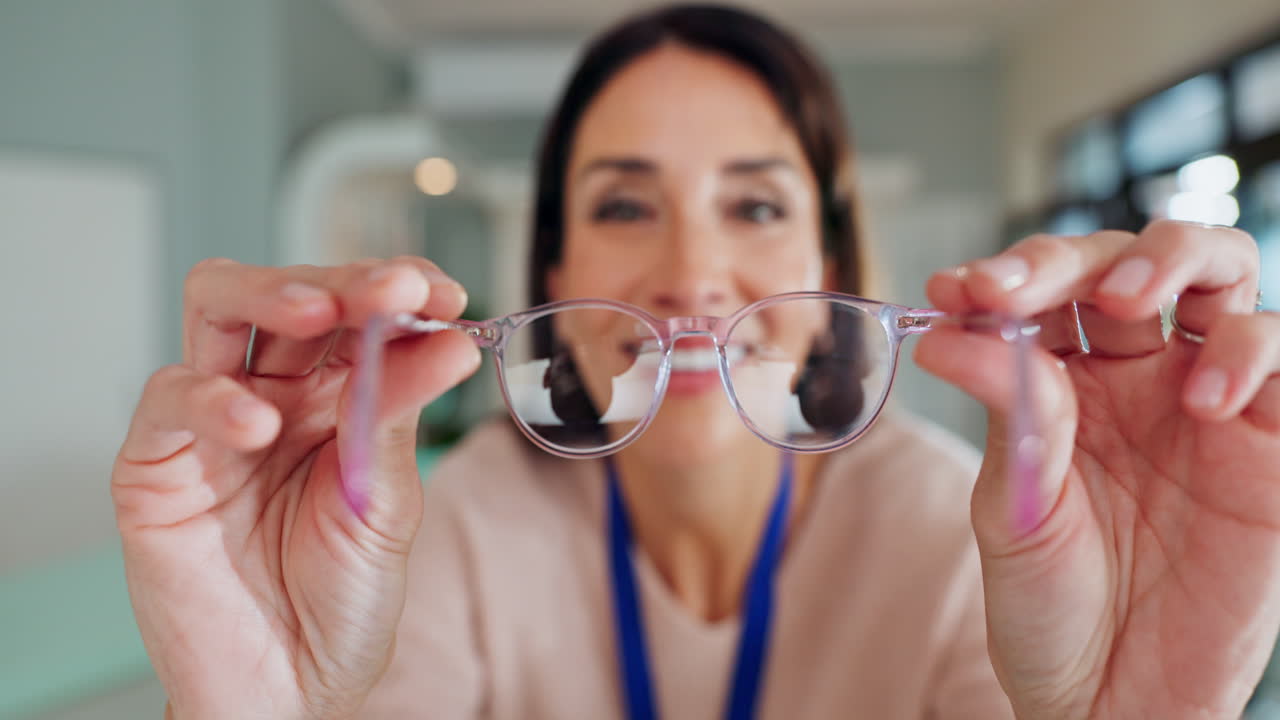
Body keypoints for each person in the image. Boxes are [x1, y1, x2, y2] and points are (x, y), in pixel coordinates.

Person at [110, 4, 1280, 719]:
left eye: (755, 206)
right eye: (624, 206)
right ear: (551, 269)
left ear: (833, 259)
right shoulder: (432, 536)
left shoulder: (965, 539)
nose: (689, 272)